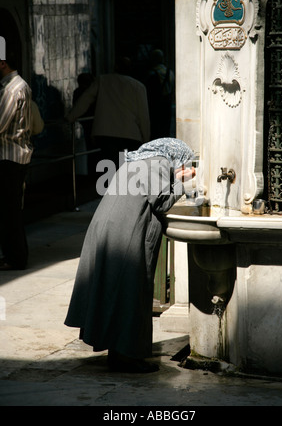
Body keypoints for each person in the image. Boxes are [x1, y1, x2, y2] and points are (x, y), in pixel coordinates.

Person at [65, 138, 195, 373]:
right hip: (125, 234)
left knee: (114, 291)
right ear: (175, 157)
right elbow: (162, 201)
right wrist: (182, 181)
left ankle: (119, 352)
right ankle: (127, 357)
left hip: (110, 229)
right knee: (130, 293)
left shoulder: (137, 161)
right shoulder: (157, 164)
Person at [65, 57, 151, 173]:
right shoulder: (139, 87)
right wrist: (146, 139)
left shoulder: (102, 80)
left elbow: (85, 100)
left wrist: (70, 117)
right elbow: (143, 116)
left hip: (105, 134)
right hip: (130, 134)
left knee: (109, 169)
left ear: (115, 67)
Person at [0, 51, 33, 271]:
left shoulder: (11, 90)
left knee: (9, 211)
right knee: (10, 209)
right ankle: (14, 255)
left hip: (9, 157)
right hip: (15, 156)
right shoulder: (19, 86)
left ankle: (15, 257)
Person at [145, 49, 175, 140]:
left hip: (155, 106)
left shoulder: (151, 73)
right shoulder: (170, 73)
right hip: (167, 105)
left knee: (156, 131)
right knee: (165, 131)